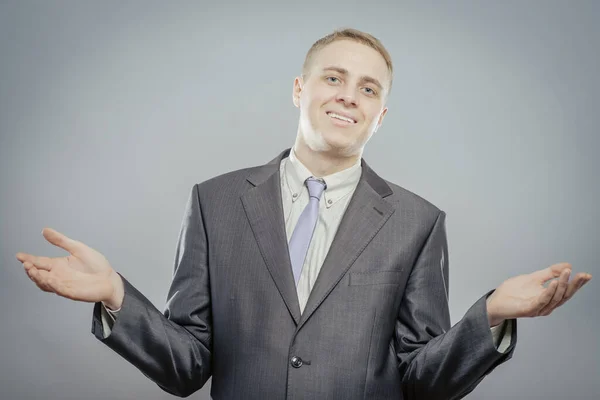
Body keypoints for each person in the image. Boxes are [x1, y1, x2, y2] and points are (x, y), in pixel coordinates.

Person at [16, 28, 591, 400]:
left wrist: (487, 315)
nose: (348, 95)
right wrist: (115, 294)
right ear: (300, 88)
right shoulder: (214, 202)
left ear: (380, 115)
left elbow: (421, 378)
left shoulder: (419, 223)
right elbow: (186, 366)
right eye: (334, 78)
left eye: (368, 89)